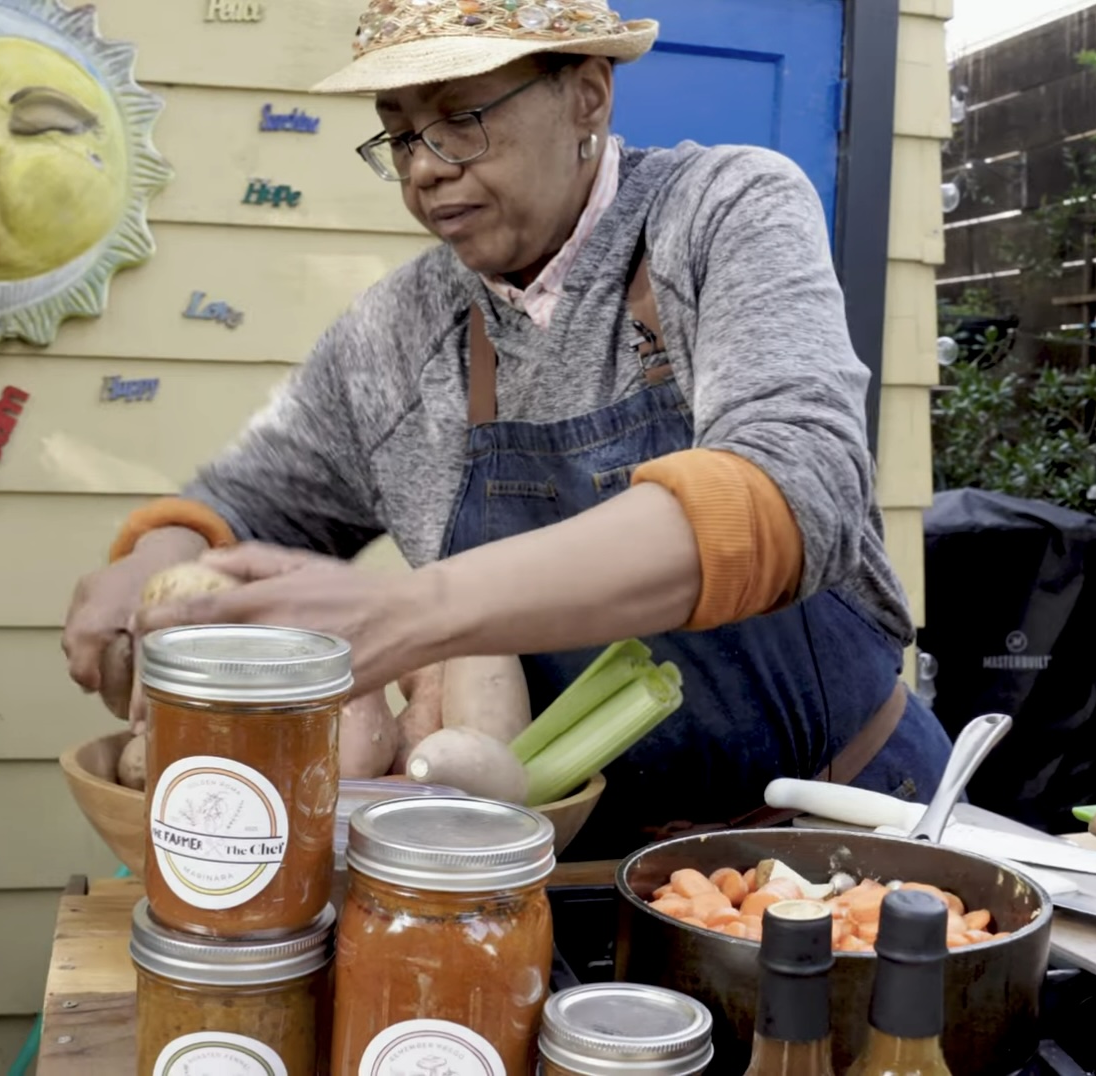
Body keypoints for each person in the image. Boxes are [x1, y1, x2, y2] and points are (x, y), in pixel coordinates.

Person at [61, 0, 954, 859]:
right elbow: (241, 505)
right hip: (555, 865)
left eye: (460, 117)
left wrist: (415, 611)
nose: (424, 168)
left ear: (588, 95)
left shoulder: (720, 212)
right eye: (401, 131)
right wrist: (151, 559)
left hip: (847, 832)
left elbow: (799, 488)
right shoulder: (397, 334)